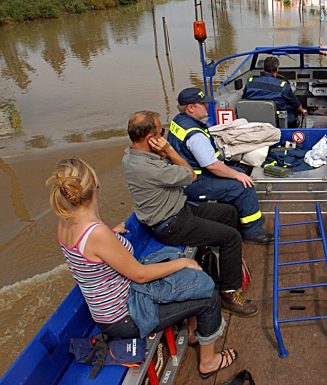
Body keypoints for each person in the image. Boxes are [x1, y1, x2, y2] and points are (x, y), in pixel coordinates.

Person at [46, 158, 239, 379]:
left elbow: (89, 249)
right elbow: (139, 275)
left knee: (179, 273)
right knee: (210, 297)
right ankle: (208, 362)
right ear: (95, 182)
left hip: (104, 312)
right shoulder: (98, 234)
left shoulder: (65, 224)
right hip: (125, 317)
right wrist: (184, 262)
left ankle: (195, 334)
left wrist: (112, 233)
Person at [122, 110, 258, 318]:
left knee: (228, 213)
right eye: (161, 132)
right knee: (231, 238)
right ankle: (229, 295)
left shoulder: (132, 155)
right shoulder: (150, 168)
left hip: (179, 209)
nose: (164, 136)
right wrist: (169, 151)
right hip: (172, 224)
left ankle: (223, 267)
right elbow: (191, 175)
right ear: (151, 139)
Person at [168, 87, 274, 244]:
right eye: (202, 104)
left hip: (187, 177)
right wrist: (237, 175)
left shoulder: (178, 121)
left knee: (239, 171)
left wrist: (236, 171)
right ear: (191, 108)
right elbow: (212, 166)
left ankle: (245, 216)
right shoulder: (195, 135)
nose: (207, 106)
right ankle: (253, 231)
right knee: (244, 186)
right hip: (195, 182)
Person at [242, 56, 307, 128]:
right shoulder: (283, 86)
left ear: (264, 68)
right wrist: (302, 110)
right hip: (278, 123)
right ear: (277, 69)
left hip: (253, 121)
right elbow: (295, 104)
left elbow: (244, 98)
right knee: (294, 112)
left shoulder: (250, 83)